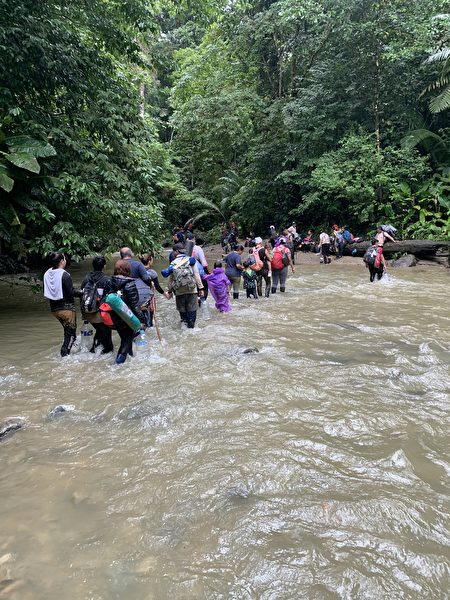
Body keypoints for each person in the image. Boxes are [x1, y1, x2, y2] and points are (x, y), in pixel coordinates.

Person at [43, 251, 80, 357]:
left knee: (68, 333)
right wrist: (83, 292)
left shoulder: (47, 273)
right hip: (66, 309)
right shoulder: (64, 275)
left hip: (54, 310)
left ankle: (71, 354)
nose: (65, 260)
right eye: (64, 258)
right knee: (70, 336)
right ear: (61, 261)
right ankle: (65, 357)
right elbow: (71, 293)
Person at [109, 260, 146, 364]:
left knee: (126, 339)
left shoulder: (110, 282)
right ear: (128, 270)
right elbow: (135, 306)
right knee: (126, 342)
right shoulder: (130, 284)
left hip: (115, 316)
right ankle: (117, 366)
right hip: (127, 317)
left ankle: (128, 361)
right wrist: (142, 321)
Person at [80, 256, 113, 353]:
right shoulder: (106, 280)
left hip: (87, 312)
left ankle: (95, 350)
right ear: (104, 266)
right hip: (100, 314)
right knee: (106, 333)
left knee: (100, 331)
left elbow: (82, 295)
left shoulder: (86, 278)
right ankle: (101, 352)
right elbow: (110, 298)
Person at [166, 246, 204, 328]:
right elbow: (196, 275)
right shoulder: (191, 261)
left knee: (183, 314)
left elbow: (171, 279)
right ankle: (192, 330)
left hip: (179, 291)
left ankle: (184, 329)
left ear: (176, 252)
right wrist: (201, 288)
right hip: (192, 290)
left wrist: (169, 291)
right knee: (192, 311)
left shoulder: (173, 263)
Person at [136, 252, 169, 327]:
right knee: (149, 318)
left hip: (137, 297)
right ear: (150, 260)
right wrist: (165, 295)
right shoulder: (152, 272)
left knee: (140, 317)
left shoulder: (137, 271)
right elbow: (157, 287)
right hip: (149, 297)